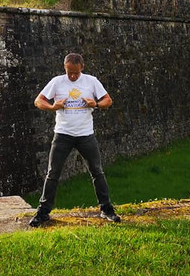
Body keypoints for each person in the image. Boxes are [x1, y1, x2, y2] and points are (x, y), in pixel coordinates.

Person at [29, 53, 121, 227]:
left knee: (97, 172)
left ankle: (106, 209)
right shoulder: (57, 82)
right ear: (65, 68)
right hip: (63, 134)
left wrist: (96, 104)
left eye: (75, 73)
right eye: (69, 72)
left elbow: (108, 100)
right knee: (52, 173)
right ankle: (43, 212)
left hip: (86, 135)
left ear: (82, 68)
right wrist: (52, 106)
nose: (72, 76)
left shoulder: (91, 81)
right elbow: (38, 101)